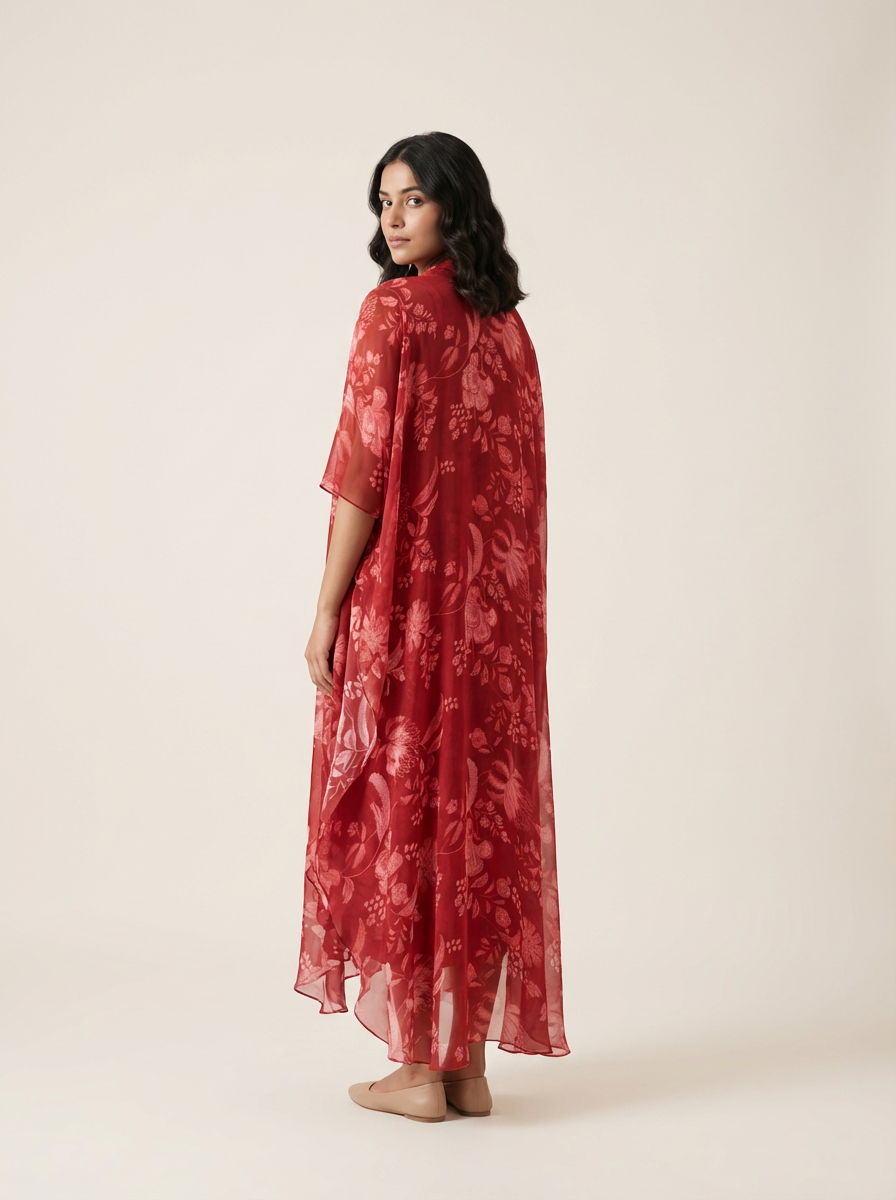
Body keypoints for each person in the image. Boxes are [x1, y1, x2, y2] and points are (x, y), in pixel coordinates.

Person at [295, 132, 569, 1123]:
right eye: (384, 202)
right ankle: (466, 1067)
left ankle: (416, 1070)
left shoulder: (393, 313)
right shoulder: (508, 331)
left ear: (456, 205)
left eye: (412, 198)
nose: (394, 218)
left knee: (402, 812)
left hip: (409, 614)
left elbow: (361, 475)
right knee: (476, 817)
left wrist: (327, 607)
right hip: (493, 631)